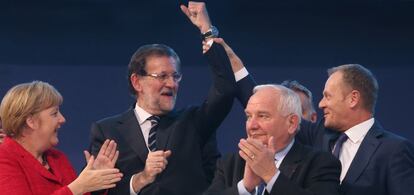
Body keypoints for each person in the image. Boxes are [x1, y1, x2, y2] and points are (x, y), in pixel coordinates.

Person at [208, 38, 414, 195]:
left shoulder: (393, 149)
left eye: (327, 96)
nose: (321, 103)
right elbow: (269, 105)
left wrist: (270, 174)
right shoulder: (322, 134)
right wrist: (234, 62)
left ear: (353, 99)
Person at [88, 2, 236, 194]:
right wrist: (141, 178)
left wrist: (207, 31)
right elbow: (102, 192)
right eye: (162, 76)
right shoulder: (107, 131)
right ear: (137, 82)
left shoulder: (194, 122)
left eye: (175, 76)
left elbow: (225, 89)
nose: (172, 84)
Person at [206, 84, 341, 195]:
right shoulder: (230, 164)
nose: (252, 126)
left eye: (263, 116)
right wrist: (245, 188)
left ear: (292, 123)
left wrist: (271, 176)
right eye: (248, 116)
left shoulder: (320, 164)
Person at [0, 81, 123, 195]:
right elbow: (75, 191)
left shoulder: (58, 158)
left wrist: (96, 182)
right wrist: (77, 187)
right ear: (31, 121)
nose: (62, 119)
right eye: (54, 113)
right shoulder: (4, 158)